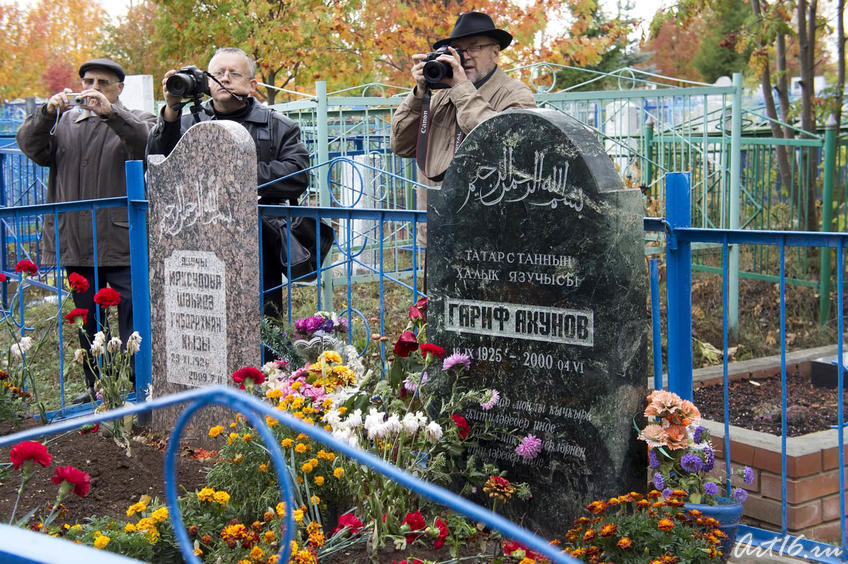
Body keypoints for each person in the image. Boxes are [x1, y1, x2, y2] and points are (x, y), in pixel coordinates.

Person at [16, 58, 156, 404]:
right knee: (88, 322)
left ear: (119, 88)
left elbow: (146, 144)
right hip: (76, 241)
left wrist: (111, 113)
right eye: (88, 81)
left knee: (133, 316)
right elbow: (31, 147)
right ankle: (98, 387)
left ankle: (142, 386)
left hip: (122, 239)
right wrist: (46, 114)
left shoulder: (136, 119)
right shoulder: (65, 123)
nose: (93, 89)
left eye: (103, 83)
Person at [147, 47, 310, 317]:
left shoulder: (278, 125)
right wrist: (171, 110)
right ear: (207, 81)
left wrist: (232, 174)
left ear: (252, 84)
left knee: (262, 321)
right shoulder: (186, 122)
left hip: (259, 243)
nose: (225, 79)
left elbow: (297, 174)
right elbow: (157, 163)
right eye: (218, 73)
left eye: (234, 73)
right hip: (196, 240)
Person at [390, 11, 537, 249]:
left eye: (474, 47)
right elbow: (400, 145)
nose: (464, 57)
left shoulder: (515, 94)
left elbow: (504, 147)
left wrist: (461, 89)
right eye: (457, 50)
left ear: (495, 51)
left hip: (490, 238)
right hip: (437, 231)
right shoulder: (438, 99)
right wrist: (419, 95)